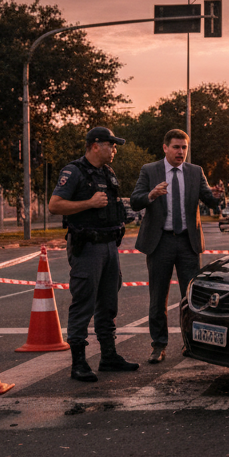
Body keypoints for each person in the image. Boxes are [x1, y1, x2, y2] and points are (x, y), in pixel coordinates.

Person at [48, 126, 139, 382]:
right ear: (95, 145)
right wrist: (89, 203)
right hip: (87, 246)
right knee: (84, 303)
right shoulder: (74, 171)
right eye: (111, 145)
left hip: (110, 245)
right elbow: (54, 205)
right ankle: (78, 363)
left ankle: (108, 356)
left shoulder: (107, 172)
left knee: (108, 303)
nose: (114, 150)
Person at [130, 129, 224, 362]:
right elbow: (135, 200)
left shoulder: (195, 172)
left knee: (191, 298)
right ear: (165, 148)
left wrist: (217, 196)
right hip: (160, 241)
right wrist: (151, 194)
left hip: (187, 242)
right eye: (176, 147)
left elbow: (209, 199)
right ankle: (158, 345)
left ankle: (191, 344)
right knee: (158, 296)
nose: (180, 152)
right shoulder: (149, 170)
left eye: (184, 147)